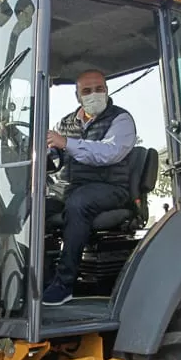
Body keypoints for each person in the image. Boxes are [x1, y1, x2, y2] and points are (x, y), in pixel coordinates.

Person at [42, 69, 136, 305]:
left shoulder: (121, 119)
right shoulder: (65, 124)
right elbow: (55, 155)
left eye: (98, 89)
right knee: (34, 206)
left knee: (79, 204)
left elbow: (109, 153)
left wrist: (66, 143)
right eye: (87, 91)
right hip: (68, 188)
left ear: (106, 90)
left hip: (109, 188)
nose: (94, 94)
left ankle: (64, 284)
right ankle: (35, 277)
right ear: (77, 96)